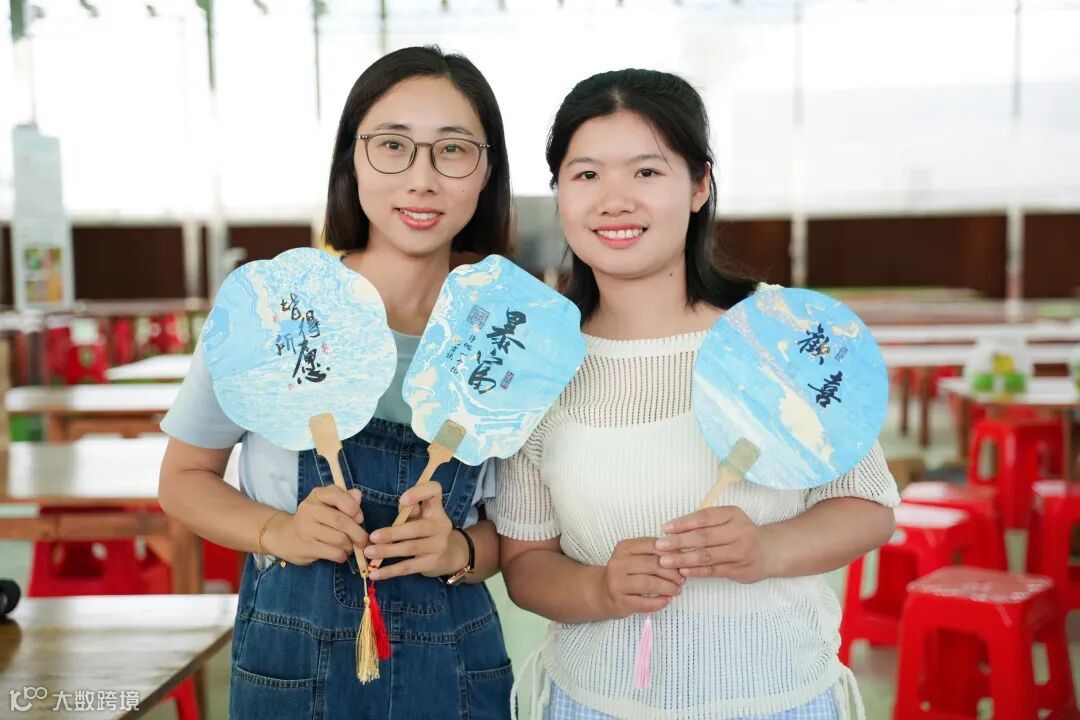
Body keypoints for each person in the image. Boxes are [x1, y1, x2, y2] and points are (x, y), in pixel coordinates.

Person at [494, 68, 898, 720]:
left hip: (779, 699)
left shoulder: (777, 333)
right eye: (586, 174)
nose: (614, 200)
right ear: (559, 192)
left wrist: (767, 549)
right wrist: (599, 589)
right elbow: (526, 561)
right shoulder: (537, 361)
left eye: (647, 172)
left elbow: (868, 506)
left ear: (699, 185)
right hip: (593, 702)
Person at [159, 45, 514, 719]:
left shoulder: (507, 332)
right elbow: (183, 480)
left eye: (453, 150)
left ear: (487, 170)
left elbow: (517, 539)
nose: (422, 179)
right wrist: (278, 531)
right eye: (393, 146)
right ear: (352, 158)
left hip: (456, 668)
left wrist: (458, 549)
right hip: (290, 664)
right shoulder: (276, 307)